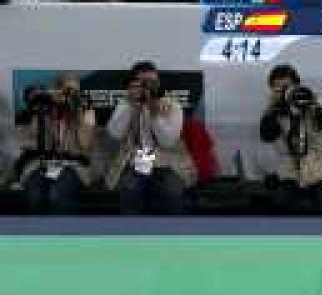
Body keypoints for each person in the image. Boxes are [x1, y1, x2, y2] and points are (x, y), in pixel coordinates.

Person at [105, 61, 195, 215]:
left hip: (168, 161)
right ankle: (131, 232)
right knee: (129, 188)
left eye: (153, 82)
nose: (149, 87)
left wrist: (154, 114)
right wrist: (130, 105)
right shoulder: (126, 103)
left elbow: (168, 142)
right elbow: (115, 134)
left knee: (171, 191)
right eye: (143, 83)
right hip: (136, 159)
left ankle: (174, 233)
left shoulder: (172, 105)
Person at [258, 64, 322, 214]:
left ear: (296, 86)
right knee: (279, 201)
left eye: (287, 87)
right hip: (291, 173)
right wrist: (271, 109)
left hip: (319, 171)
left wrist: (314, 105)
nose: (284, 92)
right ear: (272, 90)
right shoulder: (277, 110)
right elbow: (267, 136)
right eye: (278, 88)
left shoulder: (309, 101)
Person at [11, 72, 95, 215]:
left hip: (73, 165)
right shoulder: (45, 109)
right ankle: (35, 233)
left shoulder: (86, 111)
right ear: (57, 91)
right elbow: (35, 140)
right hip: (44, 162)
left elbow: (85, 144)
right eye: (67, 91)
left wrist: (79, 114)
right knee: (34, 195)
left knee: (56, 194)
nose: (71, 95)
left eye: (75, 91)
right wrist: (45, 111)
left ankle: (63, 233)